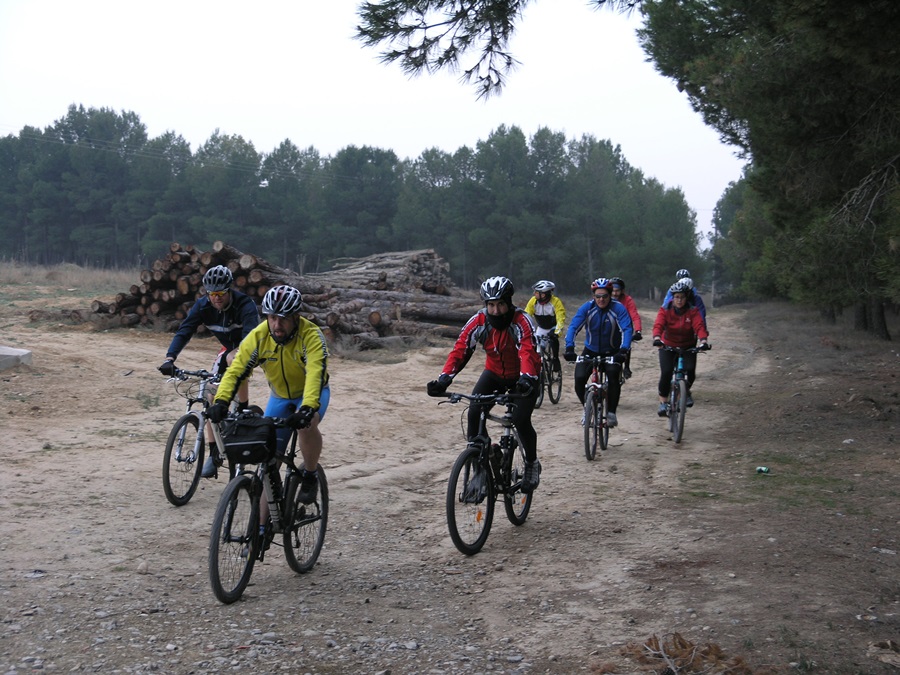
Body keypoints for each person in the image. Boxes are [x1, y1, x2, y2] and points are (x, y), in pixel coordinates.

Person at [208, 285, 330, 507]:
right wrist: (221, 401)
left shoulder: (311, 336)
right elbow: (236, 370)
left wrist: (307, 407)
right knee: (268, 463)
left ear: (296, 317)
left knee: (306, 425)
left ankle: (310, 475)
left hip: (312, 393)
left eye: (283, 319)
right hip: (280, 396)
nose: (276, 325)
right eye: (272, 318)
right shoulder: (260, 335)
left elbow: (315, 373)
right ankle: (263, 526)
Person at [426, 276, 543, 492]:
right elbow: (461, 349)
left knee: (520, 419)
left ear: (509, 303)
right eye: (491, 305)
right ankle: (480, 468)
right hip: (494, 374)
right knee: (474, 413)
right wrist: (444, 379)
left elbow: (528, 350)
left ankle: (531, 463)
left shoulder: (522, 321)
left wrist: (527, 378)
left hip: (524, 377)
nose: (496, 311)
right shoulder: (478, 321)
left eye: (500, 304)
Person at [158, 265, 261, 478]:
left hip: (251, 347)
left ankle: (242, 408)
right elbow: (185, 330)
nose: (216, 298)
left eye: (221, 293)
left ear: (229, 290)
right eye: (212, 294)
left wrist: (235, 360)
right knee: (211, 396)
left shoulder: (244, 304)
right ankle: (214, 454)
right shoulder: (203, 305)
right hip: (227, 349)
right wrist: (170, 358)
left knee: (234, 360)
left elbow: (250, 340)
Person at [563, 278, 634, 428]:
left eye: (605, 296)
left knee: (613, 376)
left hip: (612, 351)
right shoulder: (587, 308)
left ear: (610, 295)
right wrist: (569, 348)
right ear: (593, 296)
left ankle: (611, 413)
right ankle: (587, 408)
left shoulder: (618, 308)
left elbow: (626, 329)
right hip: (591, 350)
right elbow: (573, 327)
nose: (601, 299)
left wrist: (623, 350)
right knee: (579, 379)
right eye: (598, 296)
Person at [652, 279, 710, 415]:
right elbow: (658, 325)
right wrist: (657, 338)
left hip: (688, 345)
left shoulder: (693, 311)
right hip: (668, 345)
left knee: (690, 371)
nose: (679, 300)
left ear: (687, 297)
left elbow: (699, 326)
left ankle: (685, 391)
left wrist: (703, 340)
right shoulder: (665, 309)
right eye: (676, 297)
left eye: (682, 297)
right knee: (666, 372)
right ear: (672, 297)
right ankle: (663, 402)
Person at [524, 279, 566, 368]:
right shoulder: (533, 301)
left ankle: (555, 359)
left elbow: (561, 318)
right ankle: (541, 366)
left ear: (543, 295)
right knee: (537, 350)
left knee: (553, 340)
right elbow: (526, 317)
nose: (534, 294)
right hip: (541, 328)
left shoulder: (556, 302)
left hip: (553, 327)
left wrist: (557, 332)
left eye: (536, 292)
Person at [609, 277, 642, 379]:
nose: (615, 293)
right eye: (613, 291)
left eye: (617, 291)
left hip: (624, 326)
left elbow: (634, 316)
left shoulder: (627, 300)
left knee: (626, 343)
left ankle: (626, 367)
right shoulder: (605, 298)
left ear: (622, 291)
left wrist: (638, 331)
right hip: (609, 327)